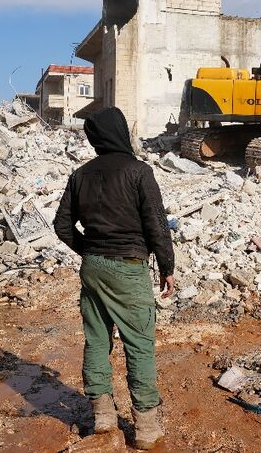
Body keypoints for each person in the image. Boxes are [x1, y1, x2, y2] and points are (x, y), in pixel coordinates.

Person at [53, 107, 175, 450]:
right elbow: (156, 224)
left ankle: (103, 416)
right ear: (121, 131)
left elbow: (62, 225)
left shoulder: (80, 175)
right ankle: (147, 429)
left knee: (96, 340)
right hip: (128, 267)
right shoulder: (139, 172)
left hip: (92, 268)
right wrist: (167, 267)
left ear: (95, 136)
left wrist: (89, 250)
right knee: (138, 344)